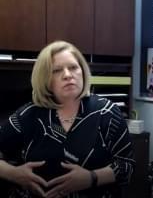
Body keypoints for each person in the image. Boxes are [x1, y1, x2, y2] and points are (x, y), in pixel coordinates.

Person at [0, 41, 135, 198]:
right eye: (57, 70)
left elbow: (127, 166)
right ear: (45, 79)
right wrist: (14, 174)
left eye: (73, 67)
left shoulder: (107, 112)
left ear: (82, 71)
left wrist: (91, 177)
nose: (67, 75)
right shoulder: (28, 115)